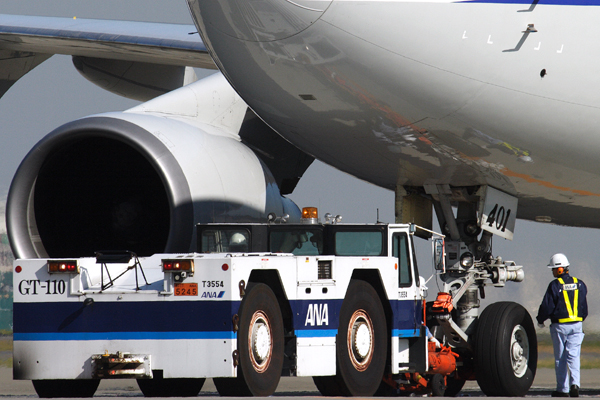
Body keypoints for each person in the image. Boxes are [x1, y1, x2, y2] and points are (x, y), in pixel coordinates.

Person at [537, 253, 588, 398]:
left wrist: (540, 320)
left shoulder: (555, 285)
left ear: (560, 269)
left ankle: (563, 389)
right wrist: (579, 319)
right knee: (574, 356)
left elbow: (547, 306)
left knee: (560, 358)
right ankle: (575, 384)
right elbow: (584, 307)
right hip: (577, 326)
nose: (552, 271)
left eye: (553, 269)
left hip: (560, 327)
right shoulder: (580, 283)